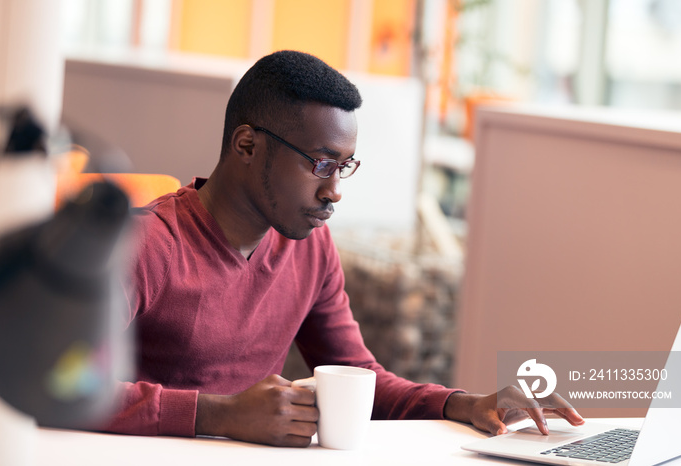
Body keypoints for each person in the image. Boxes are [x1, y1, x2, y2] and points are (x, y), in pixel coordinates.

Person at [103, 50, 584, 447]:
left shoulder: (309, 248)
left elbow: (358, 377)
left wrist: (466, 404)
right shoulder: (143, 245)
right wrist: (219, 415)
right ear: (247, 145)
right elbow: (61, 384)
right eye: (319, 163)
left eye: (344, 167)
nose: (334, 191)